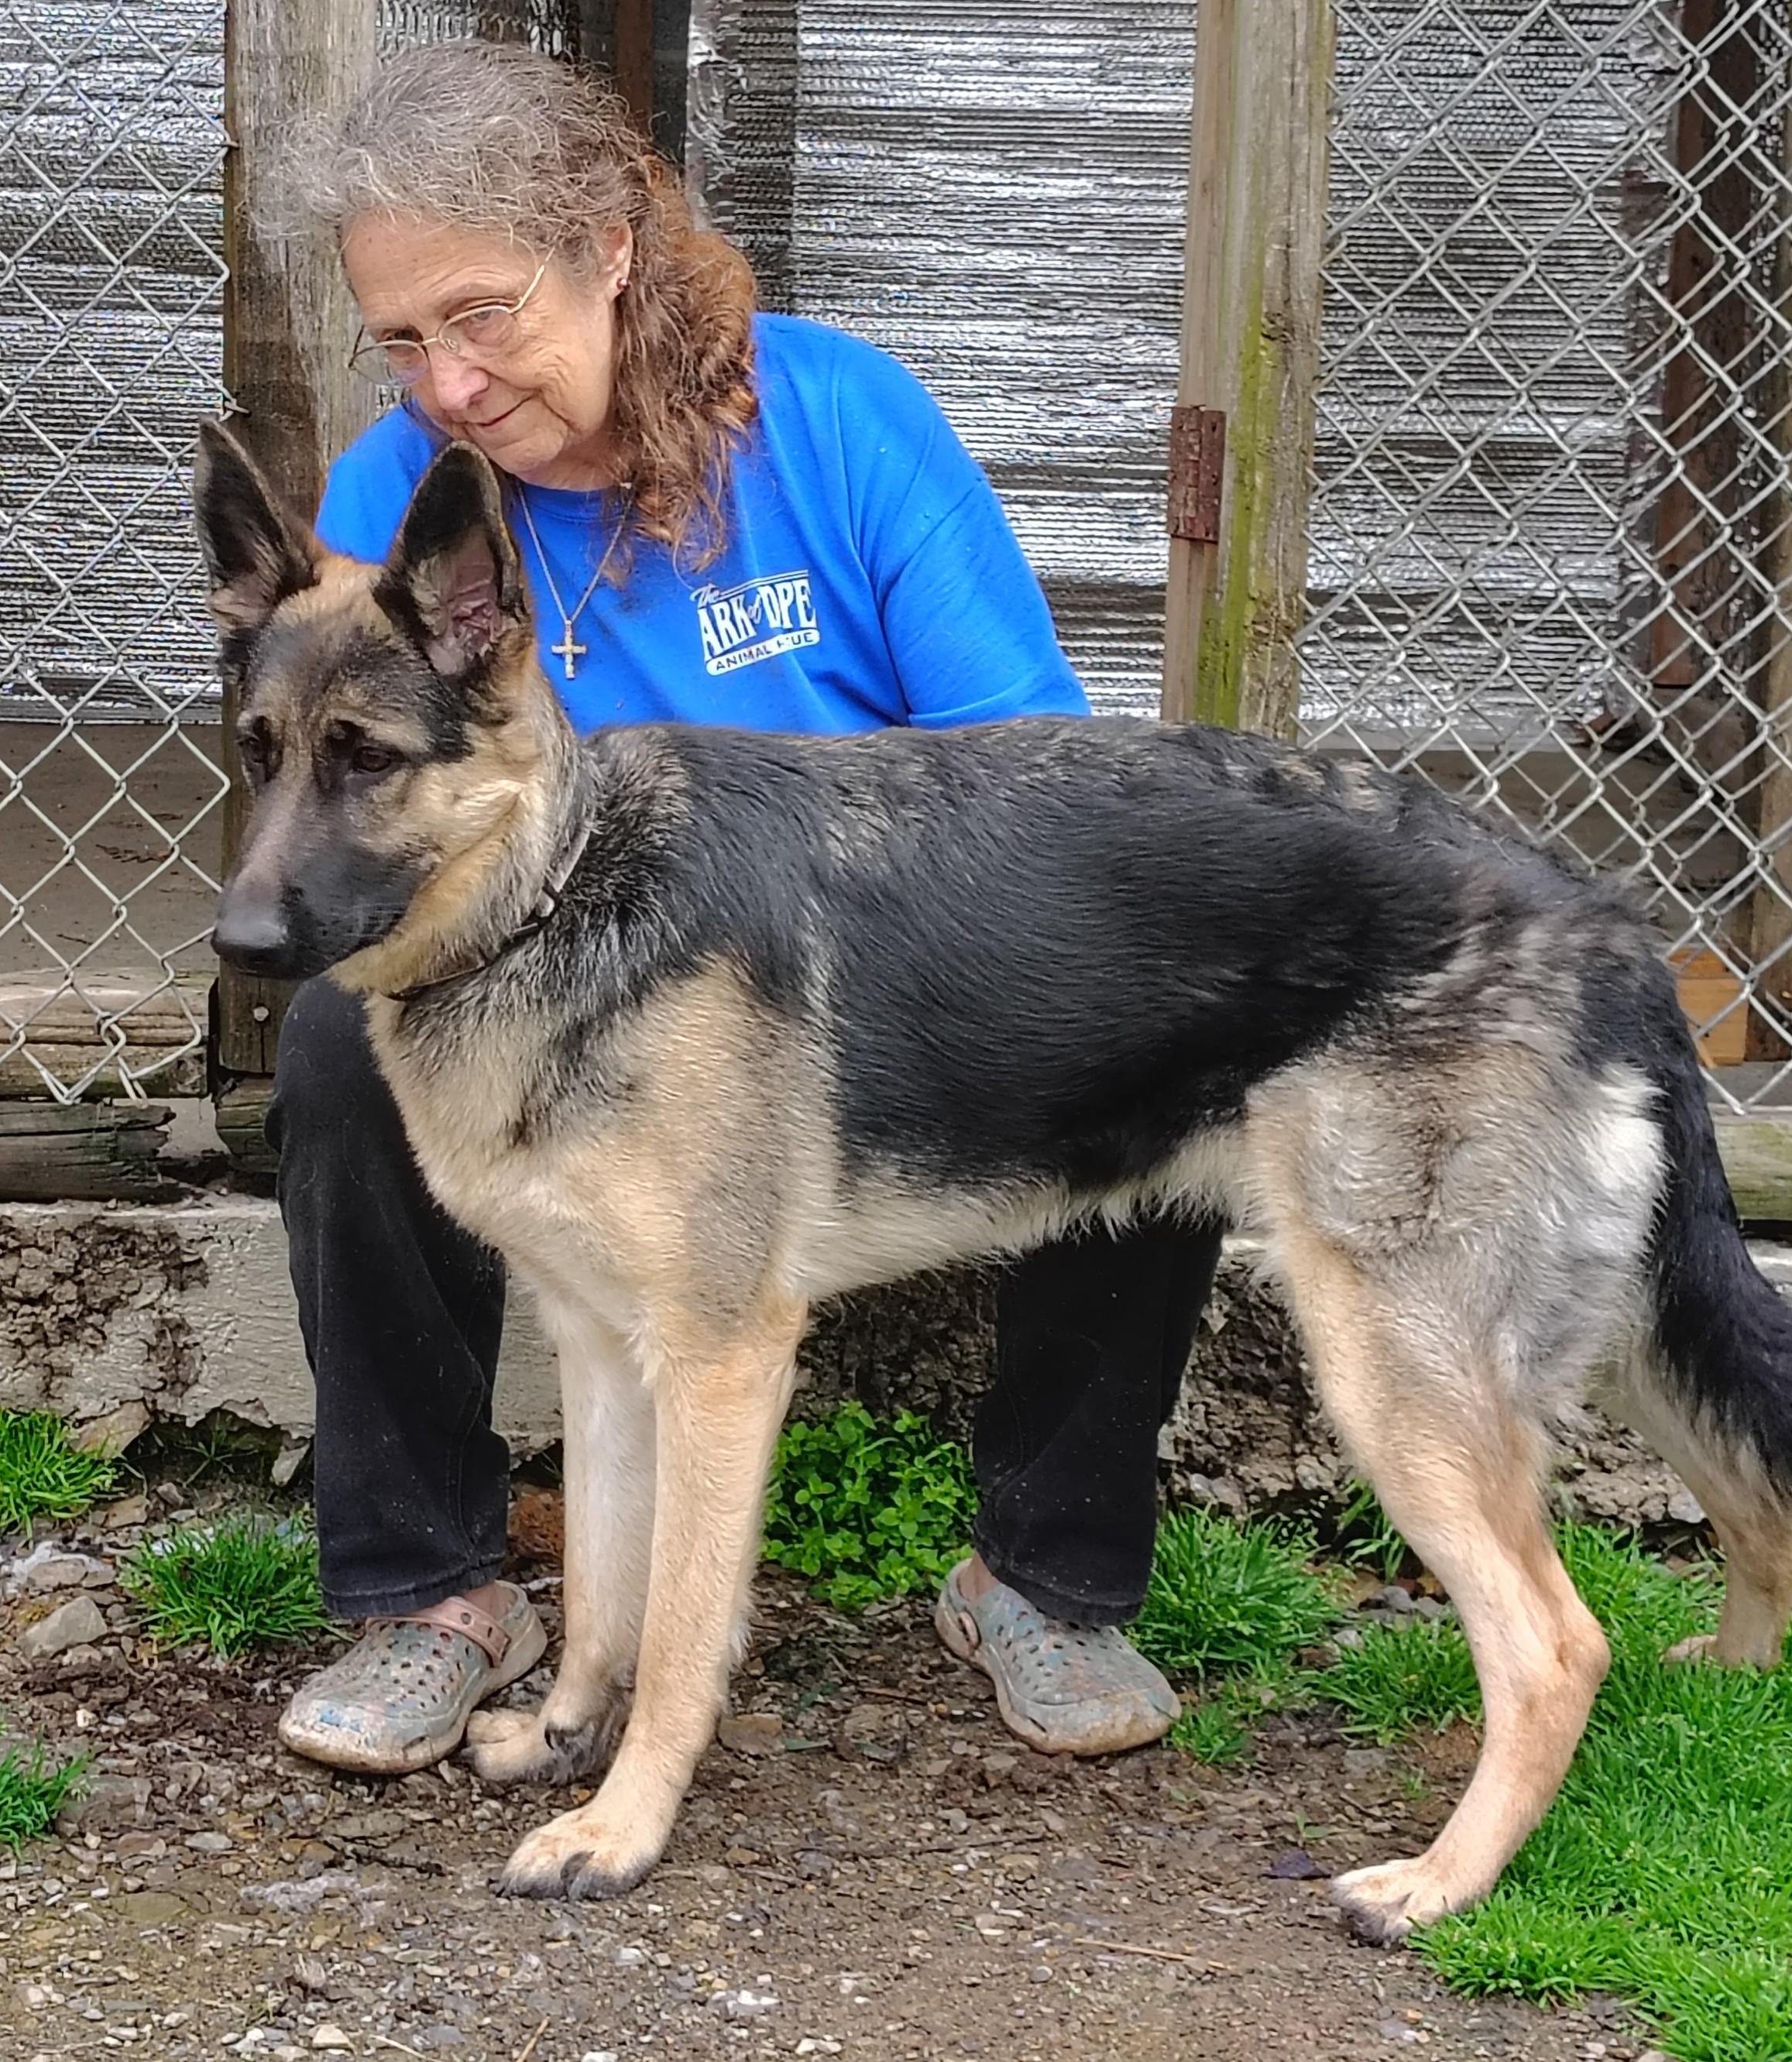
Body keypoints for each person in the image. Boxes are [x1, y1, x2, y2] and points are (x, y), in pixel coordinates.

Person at [265, 39, 1225, 1779]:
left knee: (1150, 1007)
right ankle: (436, 1590)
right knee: (340, 1047)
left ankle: (1042, 1573)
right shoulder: (392, 508)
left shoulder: (835, 417)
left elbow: (1031, 777)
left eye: (481, 318)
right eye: (402, 341)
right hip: (566, 1014)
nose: (450, 387)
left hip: (870, 981)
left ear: (610, 243)